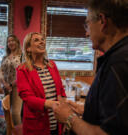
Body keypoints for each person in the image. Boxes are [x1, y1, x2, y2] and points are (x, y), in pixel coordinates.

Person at [53, 0, 128, 135]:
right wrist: (87, 109)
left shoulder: (117, 64)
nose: (86, 34)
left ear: (102, 21)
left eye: (87, 24)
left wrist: (69, 117)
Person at [16, 32, 66, 135]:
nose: (41, 42)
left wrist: (65, 117)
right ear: (28, 48)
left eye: (42, 39)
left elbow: (61, 90)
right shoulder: (22, 69)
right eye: (36, 40)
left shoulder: (52, 65)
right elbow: (28, 98)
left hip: (56, 121)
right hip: (36, 124)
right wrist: (51, 104)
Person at [0, 34, 23, 126]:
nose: (10, 43)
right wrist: (5, 84)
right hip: (5, 87)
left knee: (15, 113)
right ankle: (9, 131)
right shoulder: (5, 57)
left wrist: (11, 85)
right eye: (8, 41)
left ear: (17, 42)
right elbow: (0, 71)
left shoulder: (22, 56)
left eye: (12, 40)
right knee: (7, 111)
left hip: (17, 87)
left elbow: (22, 73)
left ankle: (18, 131)